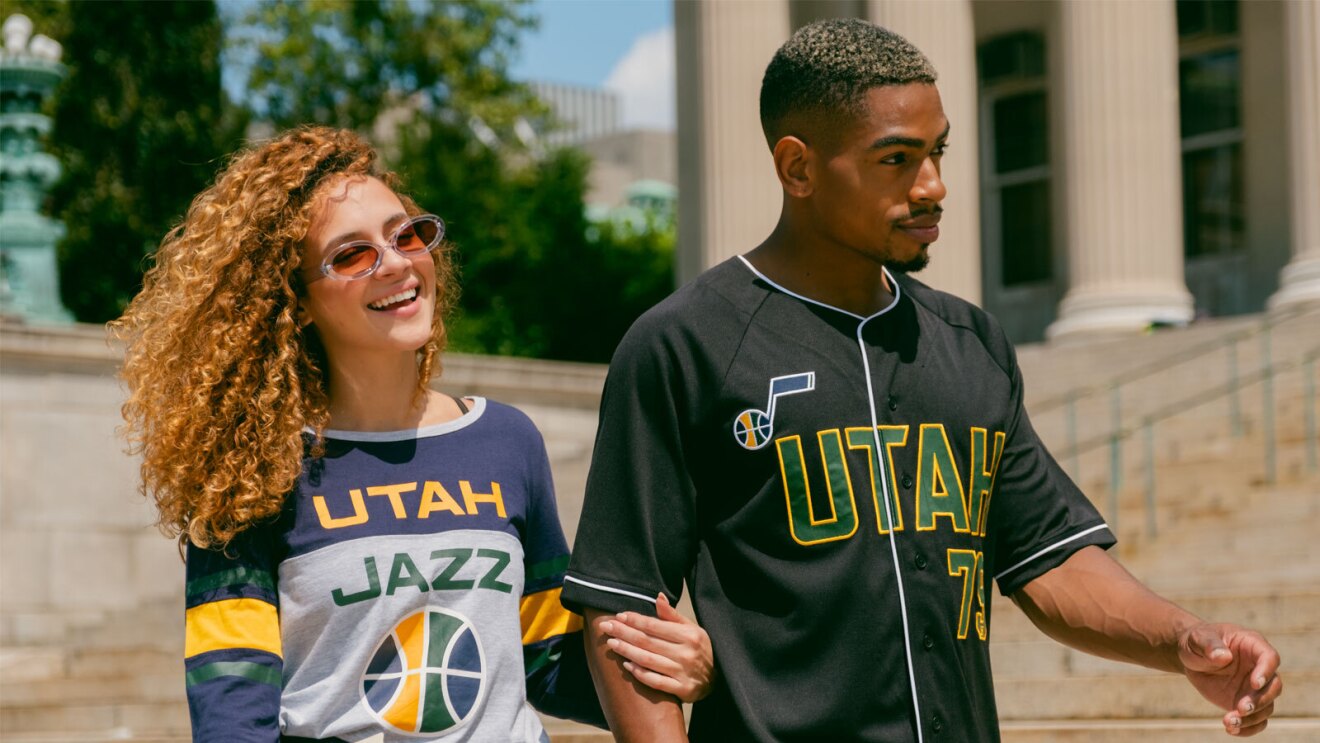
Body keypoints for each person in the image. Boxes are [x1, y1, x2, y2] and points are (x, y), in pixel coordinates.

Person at [561, 18, 1283, 742]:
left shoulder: (971, 343)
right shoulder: (685, 343)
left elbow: (1050, 558)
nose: (933, 186)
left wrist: (1187, 637)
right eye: (897, 159)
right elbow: (623, 615)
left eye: (936, 152)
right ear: (798, 168)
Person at [111, 126, 713, 742]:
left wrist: (671, 665)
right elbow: (233, 706)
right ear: (295, 300)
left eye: (405, 235)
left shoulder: (506, 441)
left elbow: (547, 663)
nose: (396, 262)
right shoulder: (250, 470)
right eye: (351, 254)